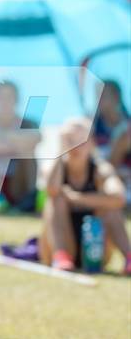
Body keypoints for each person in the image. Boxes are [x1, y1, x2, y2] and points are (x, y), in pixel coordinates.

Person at [40, 118, 131, 275]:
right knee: (57, 200)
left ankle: (128, 257)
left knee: (110, 208)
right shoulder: (53, 166)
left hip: (94, 251)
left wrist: (76, 198)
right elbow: (52, 190)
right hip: (59, 246)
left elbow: (118, 197)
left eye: (81, 140)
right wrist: (61, 152)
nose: (76, 146)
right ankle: (61, 256)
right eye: (70, 140)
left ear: (91, 143)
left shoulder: (100, 168)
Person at [0, 82, 41, 211]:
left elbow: (36, 139)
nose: (5, 101)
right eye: (1, 97)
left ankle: (27, 200)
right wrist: (15, 142)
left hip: (18, 180)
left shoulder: (29, 123)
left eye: (9, 97)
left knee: (27, 153)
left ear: (16, 99)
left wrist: (1, 139)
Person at [93, 80, 130, 194]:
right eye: (97, 95)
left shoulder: (127, 125)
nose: (99, 99)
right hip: (102, 175)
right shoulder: (91, 126)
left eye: (103, 95)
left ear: (116, 97)